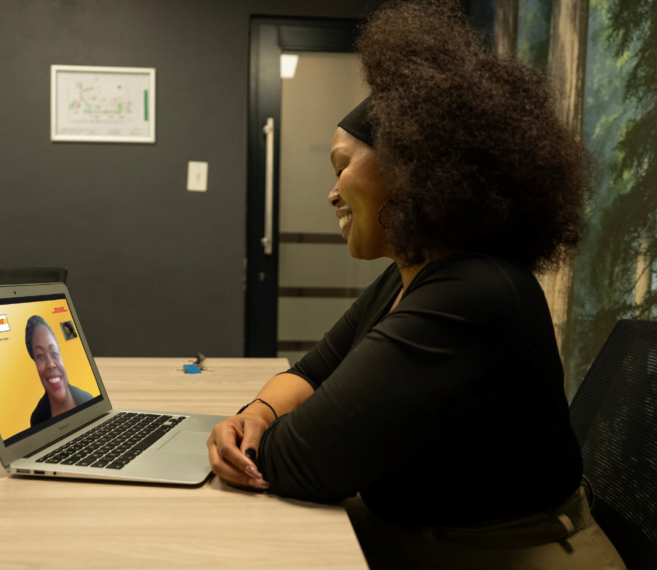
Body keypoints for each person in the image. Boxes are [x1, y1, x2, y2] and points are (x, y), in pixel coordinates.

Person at [206, 1, 626, 568]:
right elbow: (309, 374)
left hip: (509, 555)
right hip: (419, 535)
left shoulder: (473, 294)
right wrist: (255, 414)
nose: (332, 194)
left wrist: (257, 439)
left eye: (341, 167)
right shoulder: (407, 277)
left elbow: (307, 461)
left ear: (413, 168)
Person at [26, 315, 92, 427]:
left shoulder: (89, 401)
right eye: (41, 356)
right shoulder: (37, 420)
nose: (51, 365)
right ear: (35, 364)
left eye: (54, 354)